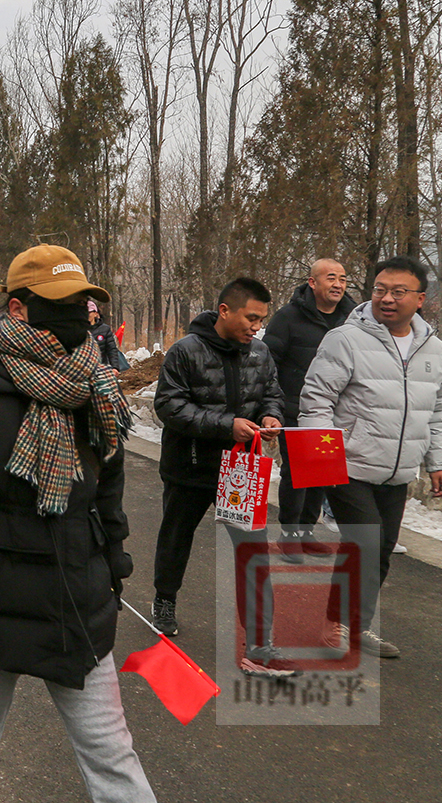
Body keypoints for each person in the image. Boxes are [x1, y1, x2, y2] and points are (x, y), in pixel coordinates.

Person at [0, 244, 153, 803]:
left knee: (113, 753)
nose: (81, 317)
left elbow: (108, 480)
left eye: (85, 304)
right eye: (63, 304)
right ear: (19, 310)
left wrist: (113, 551)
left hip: (79, 599)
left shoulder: (95, 385)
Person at [300, 256, 442, 659]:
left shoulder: (433, 348)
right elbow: (316, 401)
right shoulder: (345, 340)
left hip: (398, 469)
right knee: (363, 543)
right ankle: (335, 627)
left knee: (381, 549)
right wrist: (323, 461)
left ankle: (354, 626)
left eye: (398, 292)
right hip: (348, 465)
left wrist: (439, 461)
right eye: (380, 290)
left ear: (420, 299)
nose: (387, 299)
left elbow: (438, 412)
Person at [151, 278, 289, 676]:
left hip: (241, 470)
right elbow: (170, 406)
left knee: (253, 553)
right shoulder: (185, 352)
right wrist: (226, 425)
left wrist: (271, 415)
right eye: (251, 317)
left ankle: (260, 643)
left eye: (262, 320)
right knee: (176, 536)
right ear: (225, 311)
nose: (256, 327)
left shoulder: (261, 353)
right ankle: (164, 600)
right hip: (189, 465)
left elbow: (272, 393)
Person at [265, 258, 355, 560]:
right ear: (313, 282)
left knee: (322, 474)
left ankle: (306, 532)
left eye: (343, 279)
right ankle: (288, 535)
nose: (338, 285)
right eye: (331, 278)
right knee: (297, 473)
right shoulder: (288, 317)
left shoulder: (352, 320)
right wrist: (272, 404)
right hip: (294, 408)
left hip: (334, 412)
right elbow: (268, 364)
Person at [87, 302, 129, 371]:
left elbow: (111, 349)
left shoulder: (105, 329)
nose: (87, 315)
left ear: (95, 313)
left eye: (89, 312)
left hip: (102, 368)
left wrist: (115, 367)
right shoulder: (78, 329)